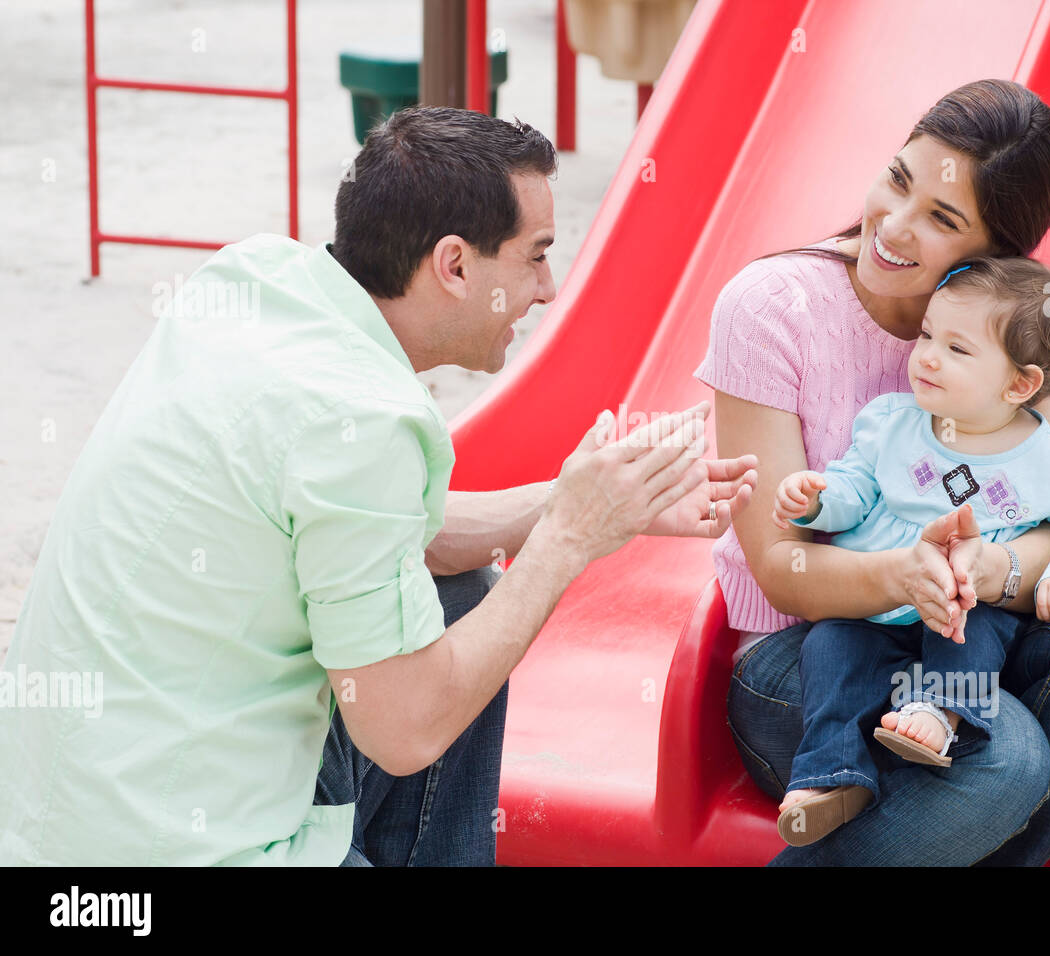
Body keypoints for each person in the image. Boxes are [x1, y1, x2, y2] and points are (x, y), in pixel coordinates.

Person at [0, 107, 758, 866]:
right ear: (455, 266)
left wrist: (581, 502)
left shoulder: (251, 278)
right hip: (169, 853)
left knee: (456, 594)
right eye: (535, 257)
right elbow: (408, 732)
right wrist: (567, 539)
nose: (549, 289)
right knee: (452, 647)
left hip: (64, 814)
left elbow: (384, 532)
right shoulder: (363, 418)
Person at [694, 79, 1050, 865]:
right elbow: (783, 570)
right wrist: (905, 575)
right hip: (816, 651)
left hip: (975, 629)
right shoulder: (771, 308)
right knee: (1004, 758)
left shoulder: (1034, 326)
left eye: (943, 220)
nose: (894, 224)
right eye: (897, 179)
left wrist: (995, 569)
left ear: (997, 257)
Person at [768, 256, 1050, 847]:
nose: (928, 356)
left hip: (961, 610)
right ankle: (830, 778)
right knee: (829, 646)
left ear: (1019, 384)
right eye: (928, 336)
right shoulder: (891, 424)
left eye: (958, 350)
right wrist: (814, 500)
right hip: (875, 611)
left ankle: (939, 713)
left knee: (971, 628)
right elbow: (853, 490)